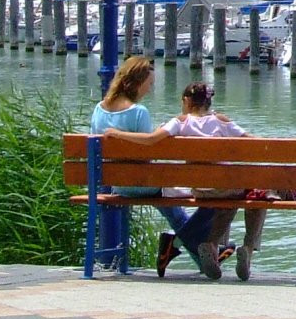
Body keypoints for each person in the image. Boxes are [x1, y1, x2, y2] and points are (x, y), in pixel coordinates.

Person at [89, 55, 222, 280]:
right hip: (142, 183)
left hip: (118, 185)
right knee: (201, 197)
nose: (150, 90)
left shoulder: (98, 110)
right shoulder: (138, 112)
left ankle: (202, 258)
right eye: (149, 84)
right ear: (135, 82)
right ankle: (193, 249)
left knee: (171, 205)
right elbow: (147, 158)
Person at [161, 80, 278, 282]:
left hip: (200, 189)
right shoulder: (220, 120)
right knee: (257, 192)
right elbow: (255, 144)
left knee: (232, 194)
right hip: (225, 189)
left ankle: (213, 244)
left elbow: (154, 138)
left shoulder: (180, 122)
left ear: (187, 101)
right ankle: (248, 248)